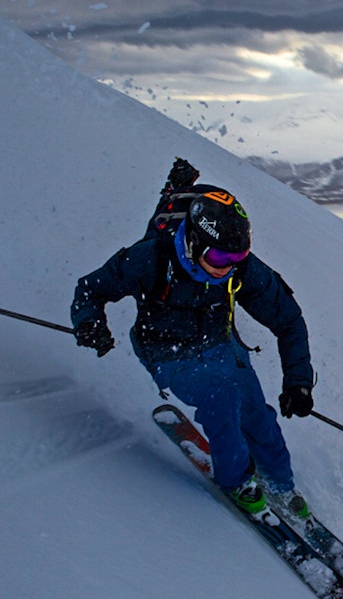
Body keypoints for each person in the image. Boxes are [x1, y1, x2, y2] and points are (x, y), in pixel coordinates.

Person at [70, 160, 315, 522]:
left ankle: (281, 483)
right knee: (223, 399)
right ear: (194, 242)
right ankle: (237, 483)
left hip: (220, 342)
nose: (228, 265)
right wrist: (89, 322)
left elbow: (289, 321)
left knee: (255, 411)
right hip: (166, 352)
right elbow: (89, 289)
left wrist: (298, 381)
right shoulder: (150, 259)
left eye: (237, 256)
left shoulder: (240, 268)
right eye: (219, 256)